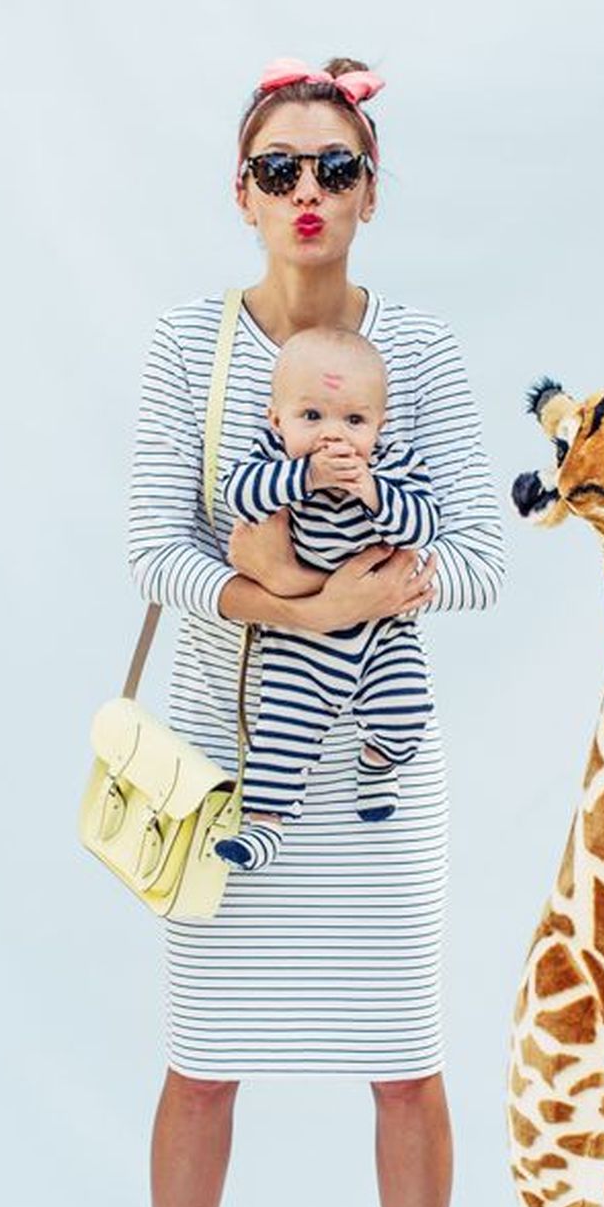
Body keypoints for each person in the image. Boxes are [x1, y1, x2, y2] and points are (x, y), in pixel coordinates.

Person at [115, 53, 505, 1207]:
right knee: (202, 1059)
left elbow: (479, 557)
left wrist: (370, 582)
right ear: (240, 191)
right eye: (278, 166)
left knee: (403, 1061)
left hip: (378, 771)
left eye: (334, 168)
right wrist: (291, 605)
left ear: (370, 193)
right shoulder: (191, 347)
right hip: (228, 761)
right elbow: (156, 550)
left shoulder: (422, 351)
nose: (306, 190)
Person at [214, 325, 440, 870]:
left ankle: (379, 760)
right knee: (283, 730)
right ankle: (263, 828)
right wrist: (307, 477)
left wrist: (372, 491)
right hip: (300, 635)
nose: (332, 436)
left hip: (383, 629)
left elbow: (424, 526)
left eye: (354, 421)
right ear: (277, 420)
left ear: (380, 425)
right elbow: (238, 495)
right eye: (311, 416)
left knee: (406, 711)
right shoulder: (273, 460)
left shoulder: (394, 464)